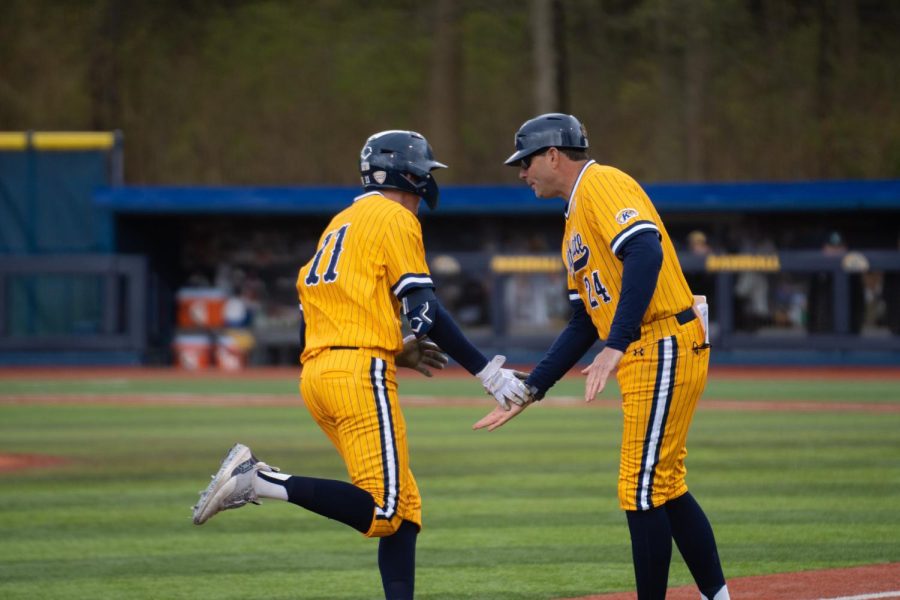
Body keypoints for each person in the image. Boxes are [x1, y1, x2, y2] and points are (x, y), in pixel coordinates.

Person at [192, 130, 530, 600]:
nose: (427, 185)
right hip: (357, 373)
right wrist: (488, 373)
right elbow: (425, 311)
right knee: (386, 510)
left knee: (404, 510)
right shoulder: (394, 216)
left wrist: (392, 346)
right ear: (409, 175)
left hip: (319, 375)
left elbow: (327, 313)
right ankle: (260, 480)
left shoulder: (342, 222)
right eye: (424, 173)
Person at [475, 113, 729, 600]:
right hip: (646, 347)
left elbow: (645, 252)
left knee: (639, 487)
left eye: (526, 161)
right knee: (664, 486)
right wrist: (533, 386)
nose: (521, 172)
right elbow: (582, 322)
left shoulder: (601, 182)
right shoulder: (572, 221)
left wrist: (616, 341)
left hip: (662, 341)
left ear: (553, 155)